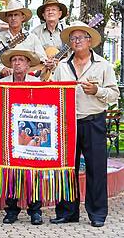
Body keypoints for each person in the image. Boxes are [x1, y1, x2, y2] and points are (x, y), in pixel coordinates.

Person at [50, 21, 119, 227]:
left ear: (90, 41)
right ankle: (67, 212)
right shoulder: (61, 66)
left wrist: (96, 91)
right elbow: (52, 90)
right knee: (65, 168)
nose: (76, 41)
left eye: (80, 37)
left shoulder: (103, 65)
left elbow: (114, 94)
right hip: (67, 123)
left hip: (93, 121)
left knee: (96, 169)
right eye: (73, 38)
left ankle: (97, 214)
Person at [0, 48, 43, 225]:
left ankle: (35, 210)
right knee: (11, 172)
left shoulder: (36, 82)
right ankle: (11, 210)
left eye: (21, 60)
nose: (17, 63)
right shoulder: (2, 82)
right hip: (9, 132)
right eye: (14, 60)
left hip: (30, 130)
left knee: (33, 171)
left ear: (28, 64)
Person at [0, 0, 49, 77]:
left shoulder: (32, 37)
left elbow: (42, 60)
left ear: (22, 17)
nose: (13, 18)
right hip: (4, 79)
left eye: (16, 15)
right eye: (10, 15)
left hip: (27, 80)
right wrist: (2, 68)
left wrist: (28, 70)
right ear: (6, 18)